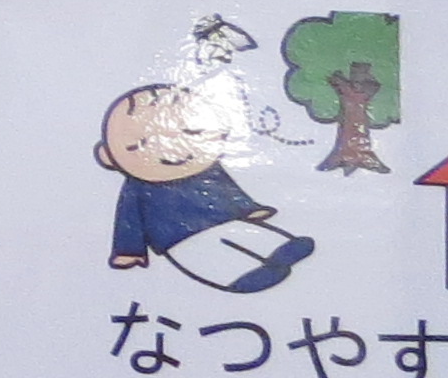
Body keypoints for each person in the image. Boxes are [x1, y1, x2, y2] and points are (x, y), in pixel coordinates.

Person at [97, 80, 314, 293]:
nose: (171, 148)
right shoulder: (137, 189)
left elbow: (228, 190)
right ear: (107, 156)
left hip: (224, 219)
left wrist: (248, 208)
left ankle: (281, 248)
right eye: (140, 145)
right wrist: (129, 251)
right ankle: (243, 277)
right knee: (213, 257)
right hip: (178, 239)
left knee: (247, 234)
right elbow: (129, 220)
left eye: (191, 132)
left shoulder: (209, 171)